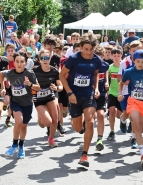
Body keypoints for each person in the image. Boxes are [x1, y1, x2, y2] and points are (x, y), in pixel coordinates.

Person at [59, 33, 101, 167]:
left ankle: (84, 154)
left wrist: (96, 88)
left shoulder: (96, 60)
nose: (89, 52)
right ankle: (81, 126)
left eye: (91, 49)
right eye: (86, 49)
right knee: (77, 128)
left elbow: (96, 74)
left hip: (88, 94)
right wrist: (69, 92)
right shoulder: (73, 59)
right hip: (74, 96)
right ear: (81, 47)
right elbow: (61, 75)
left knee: (90, 120)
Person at [0, 51, 40, 158]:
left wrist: (29, 84)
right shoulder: (10, 73)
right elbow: (0, 74)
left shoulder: (29, 73)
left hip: (27, 103)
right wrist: (3, 87)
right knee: (18, 121)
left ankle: (21, 145)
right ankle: (13, 145)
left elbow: (38, 87)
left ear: (26, 63)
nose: (19, 64)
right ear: (14, 62)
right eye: (17, 61)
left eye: (22, 62)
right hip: (15, 102)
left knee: (23, 125)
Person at [32, 49, 63, 147]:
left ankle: (51, 139)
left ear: (50, 59)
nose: (45, 60)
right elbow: (29, 84)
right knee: (48, 122)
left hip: (50, 96)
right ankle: (41, 116)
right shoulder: (34, 71)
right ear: (39, 59)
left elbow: (61, 86)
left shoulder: (54, 70)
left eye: (47, 58)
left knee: (55, 119)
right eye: (43, 58)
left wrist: (56, 88)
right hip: (38, 98)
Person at [117, 40, 141, 144]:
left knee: (135, 115)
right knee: (126, 114)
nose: (136, 52)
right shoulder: (125, 62)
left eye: (138, 50)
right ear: (130, 51)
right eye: (134, 50)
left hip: (138, 92)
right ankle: (123, 120)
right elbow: (119, 78)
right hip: (126, 92)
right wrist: (125, 83)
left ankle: (134, 138)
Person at [93, 46, 109, 151]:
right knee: (90, 116)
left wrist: (107, 82)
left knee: (101, 115)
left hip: (102, 93)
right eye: (97, 57)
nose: (99, 59)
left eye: (101, 57)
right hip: (90, 93)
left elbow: (106, 74)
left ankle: (99, 139)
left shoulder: (106, 65)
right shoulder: (90, 65)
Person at [107, 46, 123, 141]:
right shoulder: (110, 68)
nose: (116, 57)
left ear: (121, 56)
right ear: (112, 56)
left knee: (119, 115)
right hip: (112, 92)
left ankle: (122, 120)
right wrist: (107, 87)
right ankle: (112, 131)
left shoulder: (123, 66)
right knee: (111, 110)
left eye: (118, 55)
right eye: (115, 55)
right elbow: (106, 78)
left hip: (121, 93)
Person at [3, 43, 16, 127]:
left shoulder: (16, 60)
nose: (10, 52)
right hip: (5, 84)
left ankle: (8, 118)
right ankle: (5, 105)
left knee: (12, 102)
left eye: (12, 51)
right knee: (7, 101)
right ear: (6, 52)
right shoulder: (4, 61)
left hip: (15, 85)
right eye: (9, 51)